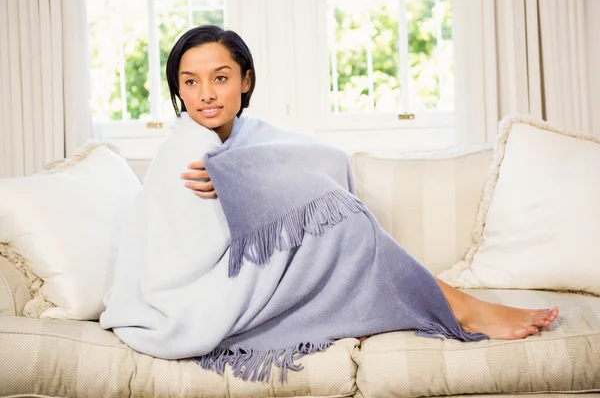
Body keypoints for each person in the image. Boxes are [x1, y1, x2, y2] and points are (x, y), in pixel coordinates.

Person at [172, 24, 558, 341]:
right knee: (348, 221)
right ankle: (461, 308)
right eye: (190, 82)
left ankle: (454, 303)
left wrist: (246, 178)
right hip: (223, 286)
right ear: (178, 88)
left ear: (245, 80)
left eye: (220, 78)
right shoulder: (185, 148)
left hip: (278, 269)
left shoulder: (253, 133)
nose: (205, 94)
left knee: (339, 213)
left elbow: (327, 159)